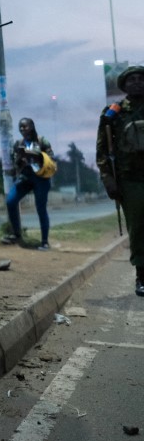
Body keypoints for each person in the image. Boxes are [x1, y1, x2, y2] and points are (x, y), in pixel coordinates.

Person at [96, 65, 144, 296]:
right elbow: (103, 150)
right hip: (131, 179)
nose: (137, 82)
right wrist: (107, 178)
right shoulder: (112, 114)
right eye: (131, 79)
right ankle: (142, 276)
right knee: (139, 228)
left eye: (141, 79)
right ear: (124, 85)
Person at [2, 117, 56, 248]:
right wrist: (20, 158)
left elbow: (51, 158)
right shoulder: (18, 144)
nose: (22, 129)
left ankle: (44, 242)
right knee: (10, 201)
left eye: (25, 126)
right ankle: (16, 234)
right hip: (25, 177)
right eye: (20, 127)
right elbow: (15, 163)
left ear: (32, 126)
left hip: (41, 178)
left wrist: (32, 154)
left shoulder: (42, 141)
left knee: (41, 208)